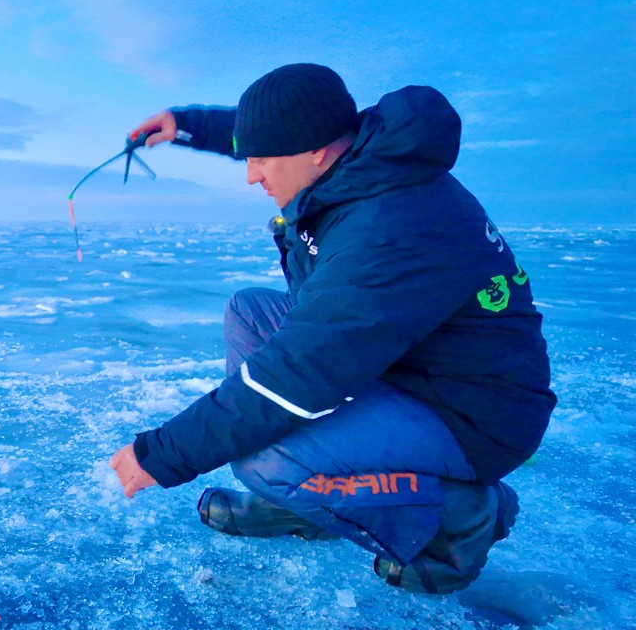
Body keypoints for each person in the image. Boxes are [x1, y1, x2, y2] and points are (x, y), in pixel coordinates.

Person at [108, 63, 554, 594]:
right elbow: (279, 132)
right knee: (250, 311)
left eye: (261, 161)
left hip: (470, 417)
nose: (252, 174)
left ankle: (461, 517)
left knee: (268, 460)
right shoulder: (361, 161)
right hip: (407, 368)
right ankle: (312, 508)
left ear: (316, 151)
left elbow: (294, 377)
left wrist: (164, 453)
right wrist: (186, 126)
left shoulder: (389, 227)